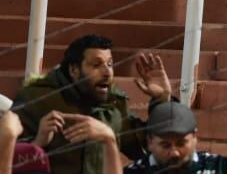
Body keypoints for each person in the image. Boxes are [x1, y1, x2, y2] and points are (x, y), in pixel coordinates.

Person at [13, 35, 172, 174]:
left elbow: (148, 148)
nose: (107, 72)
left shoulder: (114, 103)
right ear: (74, 70)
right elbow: (5, 158)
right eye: (96, 65)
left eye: (109, 64)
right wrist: (37, 143)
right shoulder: (37, 98)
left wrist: (162, 100)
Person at [125, 102, 227, 173]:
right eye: (165, 145)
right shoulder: (134, 172)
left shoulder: (221, 168)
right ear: (150, 142)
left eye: (181, 143)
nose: (174, 153)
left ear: (195, 137)